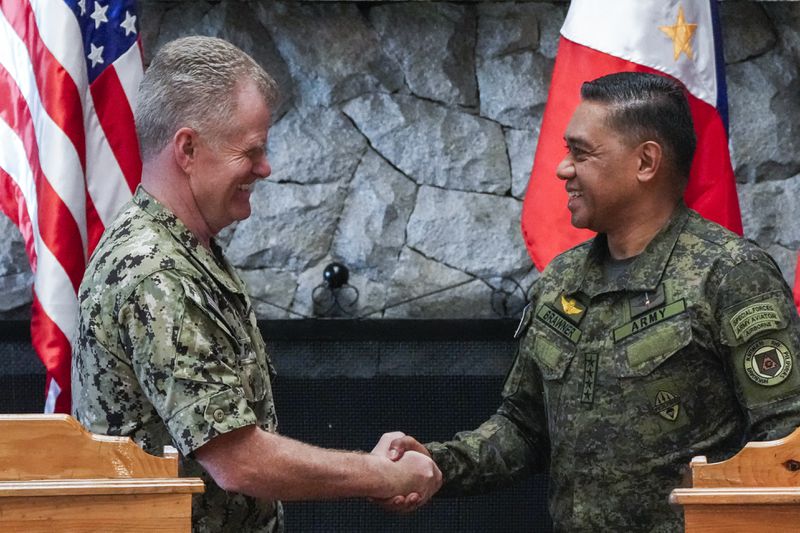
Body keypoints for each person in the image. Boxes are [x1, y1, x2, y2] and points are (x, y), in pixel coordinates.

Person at [374, 72, 800, 531]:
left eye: (582, 152)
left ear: (646, 161)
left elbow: (786, 442)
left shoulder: (729, 274)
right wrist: (436, 465)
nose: (563, 169)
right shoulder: (562, 279)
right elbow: (523, 428)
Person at [71, 35, 440, 532]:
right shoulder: (157, 273)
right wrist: (379, 475)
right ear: (187, 148)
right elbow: (239, 462)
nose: (265, 169)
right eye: (251, 151)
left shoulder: (183, 249)